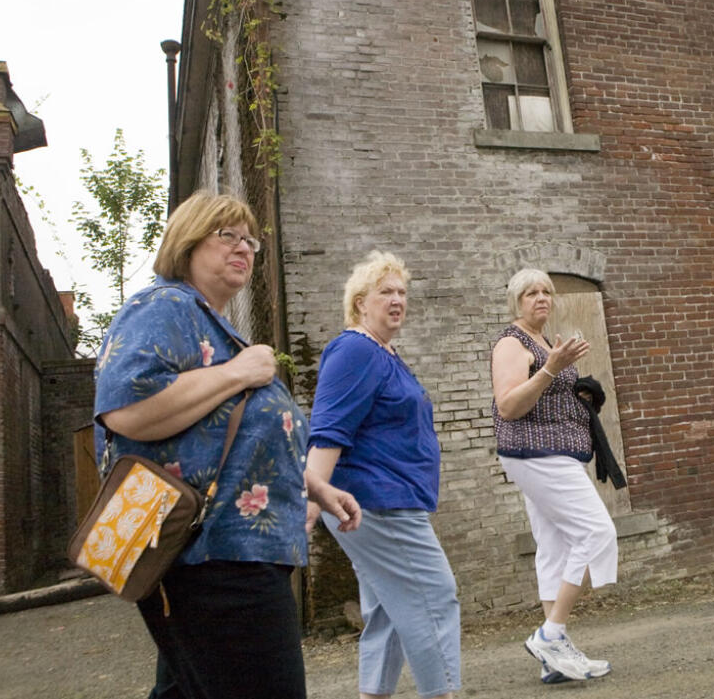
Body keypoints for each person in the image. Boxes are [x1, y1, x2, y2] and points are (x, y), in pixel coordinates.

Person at [93, 190, 361, 699]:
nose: (243, 247)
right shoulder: (165, 305)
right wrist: (238, 371)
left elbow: (221, 442)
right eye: (226, 235)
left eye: (250, 241)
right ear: (187, 242)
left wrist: (313, 487)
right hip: (214, 561)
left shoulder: (210, 325)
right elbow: (126, 409)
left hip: (226, 559)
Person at [306, 251, 462, 699]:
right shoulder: (356, 348)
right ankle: (444, 693)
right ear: (360, 303)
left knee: (389, 612)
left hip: (389, 499)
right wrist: (311, 501)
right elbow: (329, 430)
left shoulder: (384, 353)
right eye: (385, 292)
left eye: (401, 292)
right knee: (434, 596)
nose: (397, 300)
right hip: (376, 503)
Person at [490, 268, 619, 683]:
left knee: (554, 546)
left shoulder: (547, 340)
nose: (541, 298)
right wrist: (551, 369)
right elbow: (508, 406)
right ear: (516, 301)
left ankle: (555, 659)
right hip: (535, 453)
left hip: (553, 452)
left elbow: (549, 389)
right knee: (596, 532)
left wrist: (575, 385)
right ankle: (551, 633)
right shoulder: (512, 342)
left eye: (546, 291)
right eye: (530, 293)